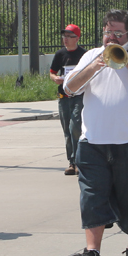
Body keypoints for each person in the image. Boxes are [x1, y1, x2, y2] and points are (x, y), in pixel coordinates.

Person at [64, 9, 128, 256]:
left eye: (118, 33)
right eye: (108, 33)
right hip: (92, 142)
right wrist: (95, 66)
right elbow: (69, 87)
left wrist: (127, 59)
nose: (112, 38)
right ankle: (92, 253)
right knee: (91, 198)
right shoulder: (91, 56)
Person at [49, 24, 86, 175]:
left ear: (77, 38)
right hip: (63, 96)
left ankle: (79, 161)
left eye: (69, 36)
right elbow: (51, 73)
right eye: (64, 36)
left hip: (79, 96)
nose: (65, 39)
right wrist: (55, 78)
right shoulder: (60, 54)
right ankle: (71, 163)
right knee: (67, 130)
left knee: (75, 127)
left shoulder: (84, 54)